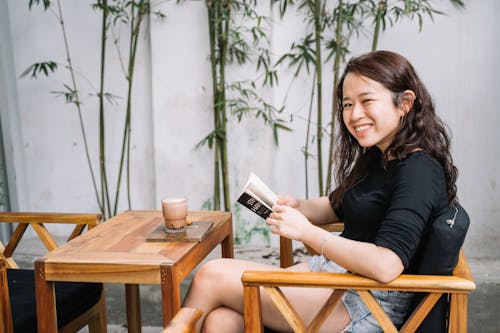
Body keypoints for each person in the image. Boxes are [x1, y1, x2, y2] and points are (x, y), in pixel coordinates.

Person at [182, 50, 459, 333]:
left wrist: (307, 232)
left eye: (366, 101)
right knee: (222, 321)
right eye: (348, 104)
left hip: (368, 304)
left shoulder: (418, 171)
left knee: (211, 275)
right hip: (339, 279)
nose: (354, 114)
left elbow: (386, 265)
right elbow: (336, 205)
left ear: (405, 102)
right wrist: (298, 207)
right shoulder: (381, 156)